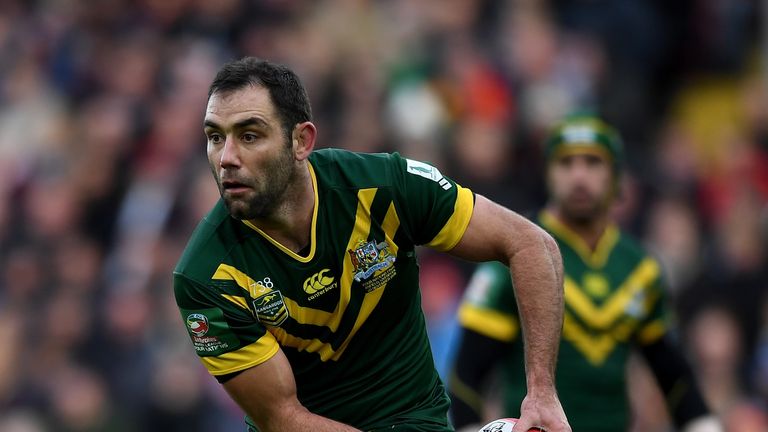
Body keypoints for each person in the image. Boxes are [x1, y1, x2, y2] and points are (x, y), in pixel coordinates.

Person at [172, 57, 571, 432]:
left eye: (249, 135)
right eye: (215, 137)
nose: (226, 157)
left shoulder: (383, 188)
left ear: (301, 141)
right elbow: (282, 418)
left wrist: (541, 393)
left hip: (415, 419)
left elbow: (531, 244)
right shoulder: (204, 277)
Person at [448, 114, 720, 432]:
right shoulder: (516, 254)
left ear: (616, 176)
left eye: (593, 162)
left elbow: (673, 375)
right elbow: (467, 374)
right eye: (566, 163)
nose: (579, 176)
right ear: (548, 174)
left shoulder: (640, 267)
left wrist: (705, 425)